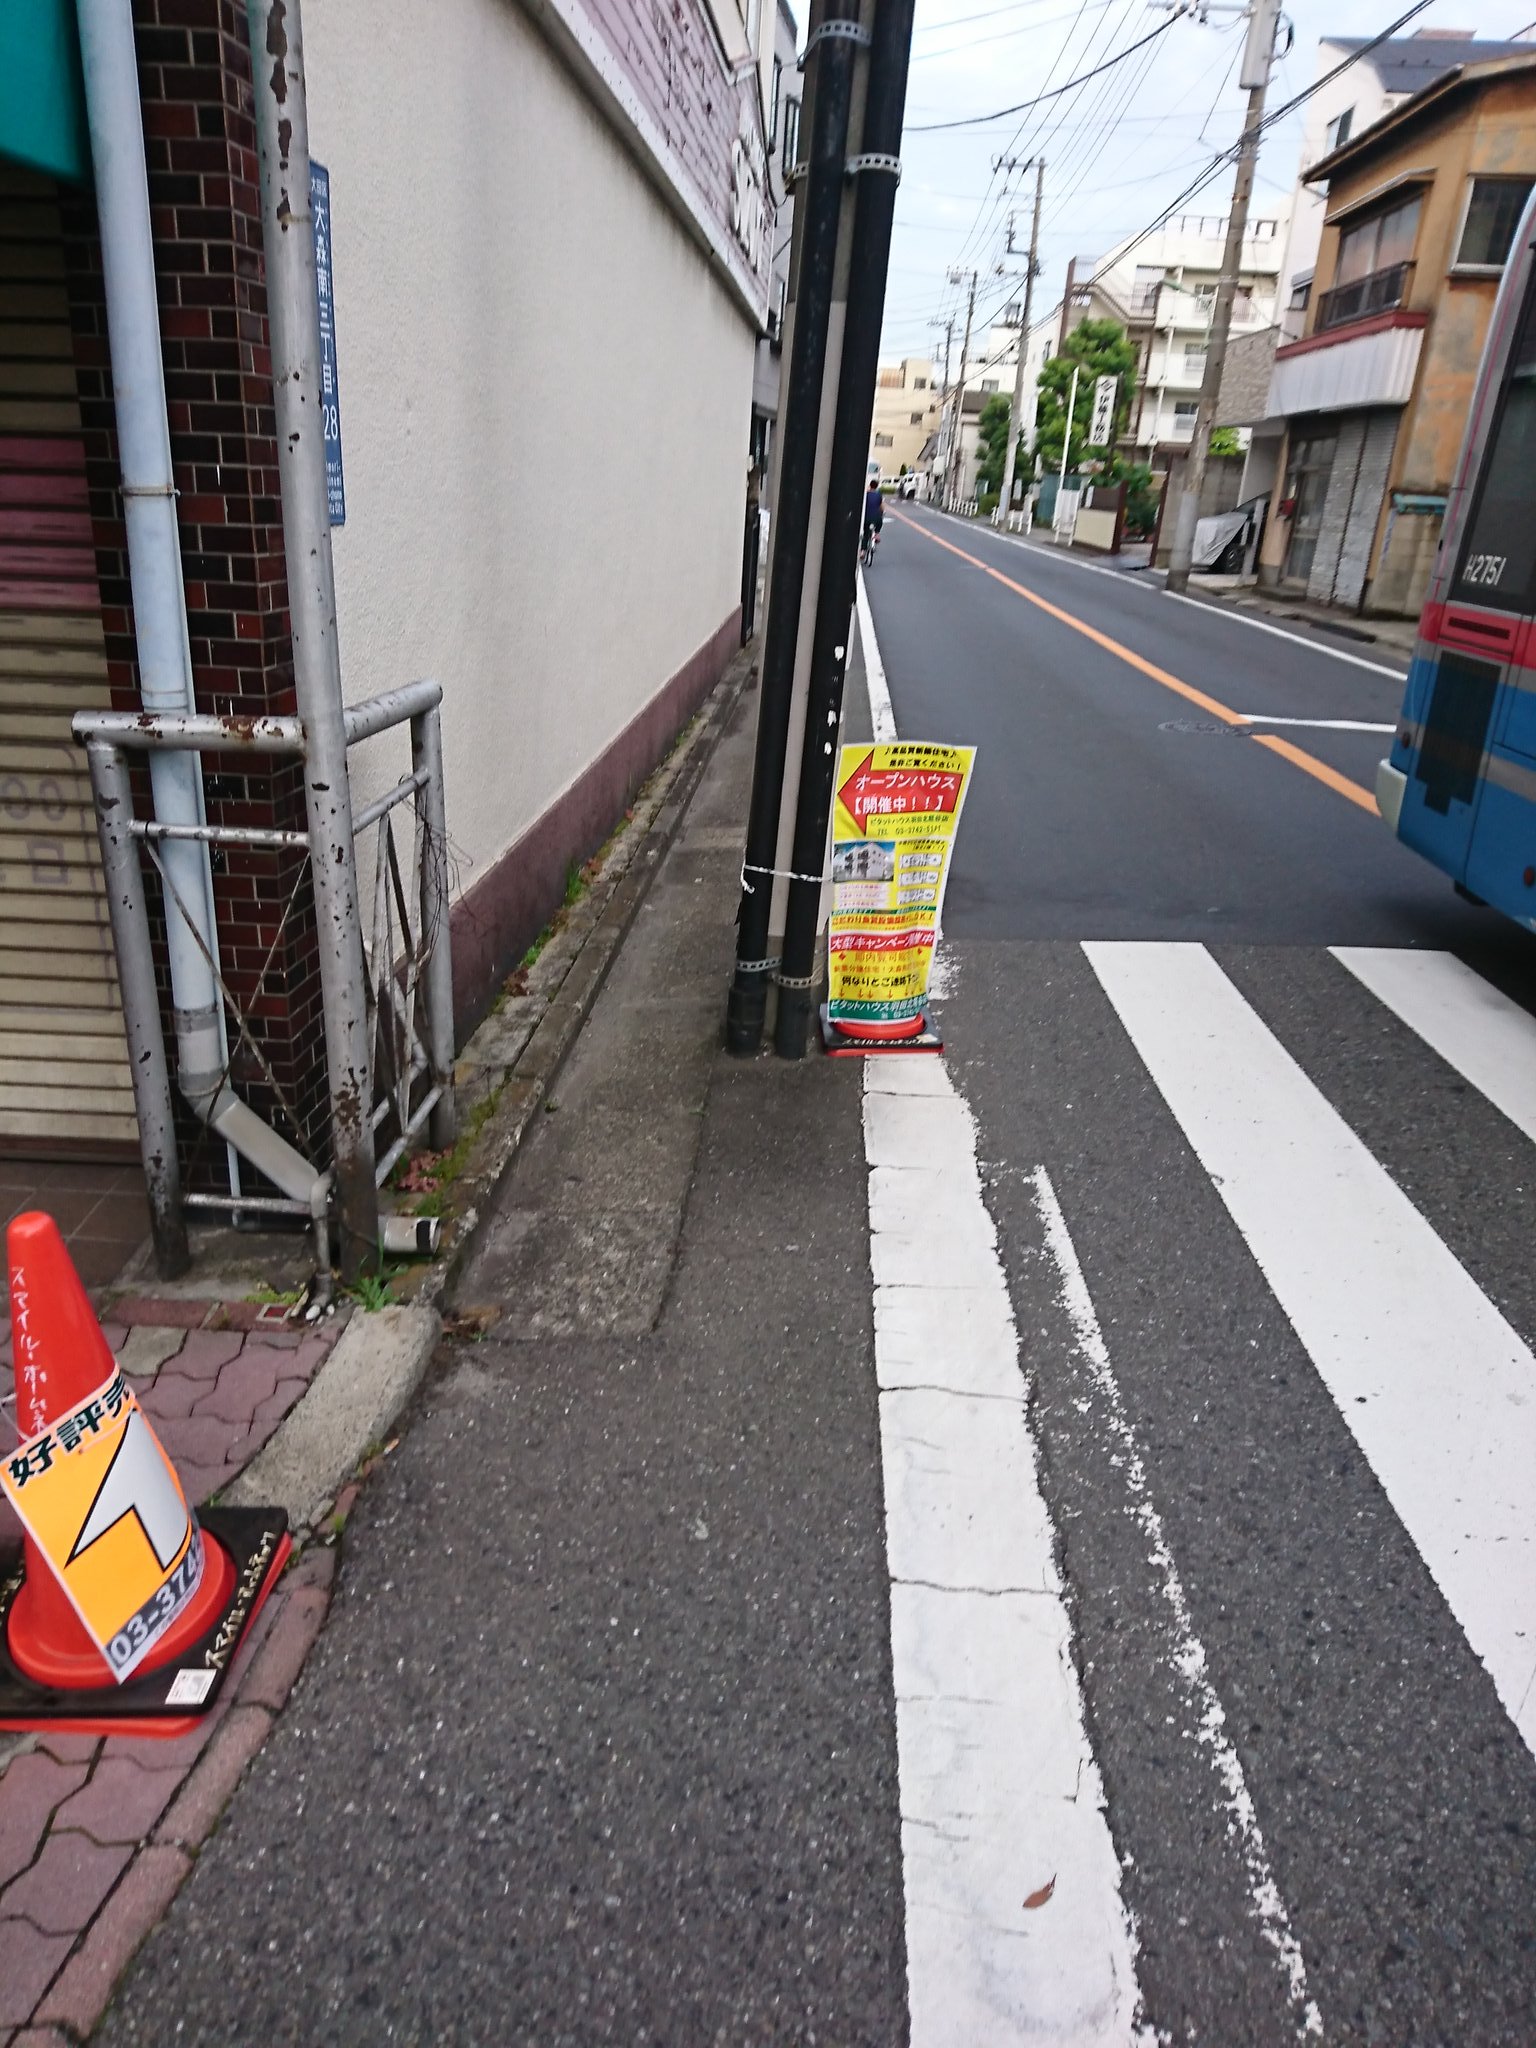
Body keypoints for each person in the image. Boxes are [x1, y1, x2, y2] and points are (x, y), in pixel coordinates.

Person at [862, 479, 884, 558]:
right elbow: (882, 508)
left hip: (867, 517)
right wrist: (882, 512)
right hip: (876, 518)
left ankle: (863, 552)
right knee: (880, 521)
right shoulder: (879, 495)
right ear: (877, 486)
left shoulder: (866, 495)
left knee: (866, 534)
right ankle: (877, 534)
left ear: (870, 485)